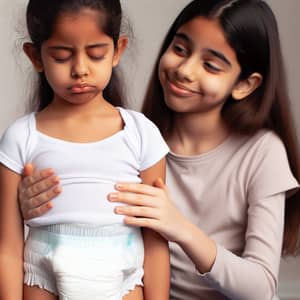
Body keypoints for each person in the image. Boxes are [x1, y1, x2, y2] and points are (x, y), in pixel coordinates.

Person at [16, 0, 300, 299]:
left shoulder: (263, 152)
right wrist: (23, 203)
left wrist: (179, 227)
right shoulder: (136, 138)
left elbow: (262, 288)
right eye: (180, 49)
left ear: (244, 84)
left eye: (210, 65)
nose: (185, 70)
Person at [0, 0, 171, 299]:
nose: (80, 69)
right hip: (43, 273)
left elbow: (156, 243)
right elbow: (8, 247)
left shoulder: (142, 135)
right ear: (35, 56)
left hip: (123, 276)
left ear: (117, 51)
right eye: (62, 56)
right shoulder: (20, 138)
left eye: (96, 54)